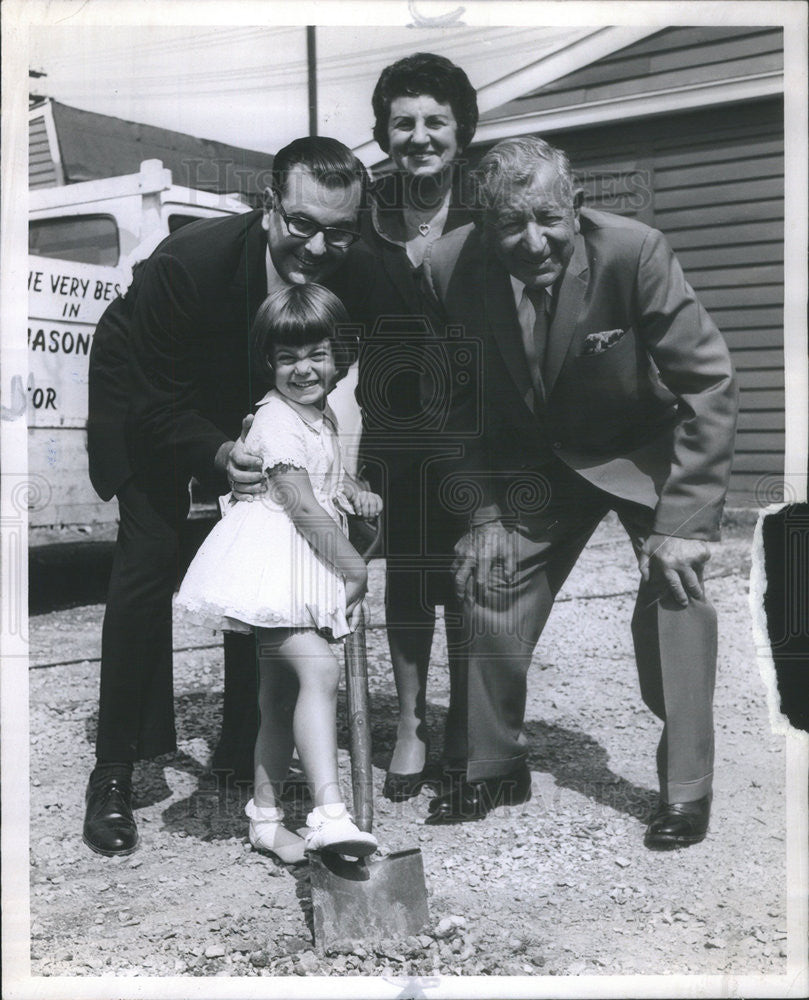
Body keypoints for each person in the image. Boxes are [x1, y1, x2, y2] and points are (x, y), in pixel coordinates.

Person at [421, 136, 739, 849]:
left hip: (641, 447)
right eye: (510, 224)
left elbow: (707, 384)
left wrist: (685, 521)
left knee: (676, 589)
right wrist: (481, 514)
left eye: (547, 219)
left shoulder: (635, 251)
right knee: (488, 577)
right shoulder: (445, 268)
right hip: (538, 462)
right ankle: (494, 763)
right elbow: (450, 408)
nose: (532, 241)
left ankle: (685, 790)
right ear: (481, 223)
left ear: (576, 207)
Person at [83, 136, 366, 857]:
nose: (317, 244)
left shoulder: (347, 267)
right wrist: (214, 455)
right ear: (270, 206)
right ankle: (115, 770)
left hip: (248, 400)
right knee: (146, 567)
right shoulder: (191, 263)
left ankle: (242, 756)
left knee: (265, 569)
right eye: (301, 222)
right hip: (149, 400)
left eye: (337, 230)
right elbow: (153, 394)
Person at [175, 284, 381, 863]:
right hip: (273, 571)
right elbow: (299, 502)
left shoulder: (322, 417)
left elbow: (328, 487)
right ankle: (329, 815)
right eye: (287, 357)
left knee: (279, 693)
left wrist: (356, 494)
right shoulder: (274, 417)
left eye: (317, 354)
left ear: (340, 357)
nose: (303, 368)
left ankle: (265, 819)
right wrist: (351, 564)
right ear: (268, 362)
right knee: (318, 670)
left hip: (300, 568)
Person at [349, 52, 479, 798]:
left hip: (478, 427)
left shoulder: (485, 207)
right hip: (393, 433)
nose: (420, 136)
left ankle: (467, 723)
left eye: (435, 121)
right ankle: (407, 724)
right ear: (383, 132)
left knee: (468, 578)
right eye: (404, 123)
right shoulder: (363, 214)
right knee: (406, 579)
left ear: (460, 133)